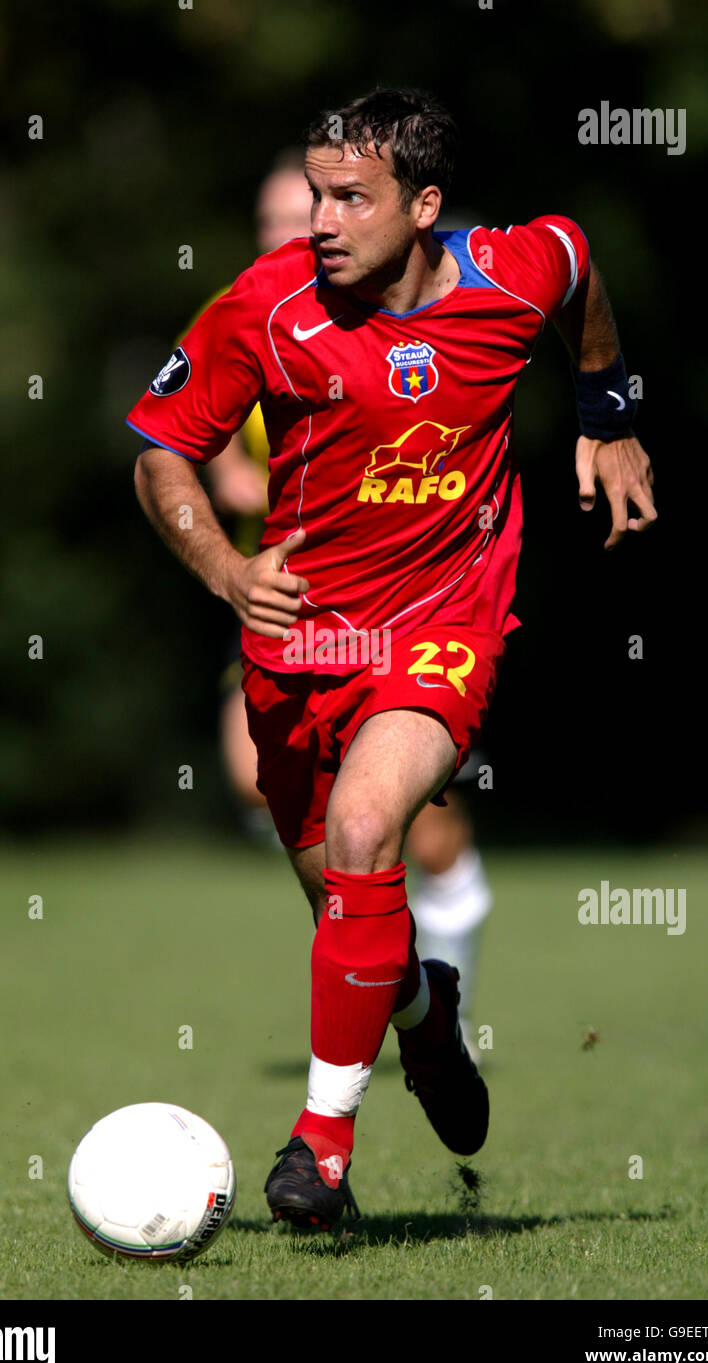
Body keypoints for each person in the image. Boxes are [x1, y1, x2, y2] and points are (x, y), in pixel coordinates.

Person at [128, 88, 655, 1231]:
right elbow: (161, 454)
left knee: (372, 829)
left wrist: (605, 410)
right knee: (344, 904)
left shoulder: (515, 269)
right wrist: (226, 570)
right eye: (314, 193)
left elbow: (576, 272)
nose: (317, 219)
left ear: (422, 206)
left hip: (443, 625)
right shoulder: (264, 310)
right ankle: (424, 1009)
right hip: (296, 646)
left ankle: (318, 1151)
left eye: (347, 197)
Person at [200, 152, 497, 1046]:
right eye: (272, 223)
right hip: (290, 609)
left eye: (312, 215)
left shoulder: (407, 315)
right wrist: (234, 482)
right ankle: (400, 977)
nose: (296, 235)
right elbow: (192, 419)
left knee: (395, 825)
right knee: (259, 781)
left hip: (411, 611)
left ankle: (443, 919)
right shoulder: (251, 307)